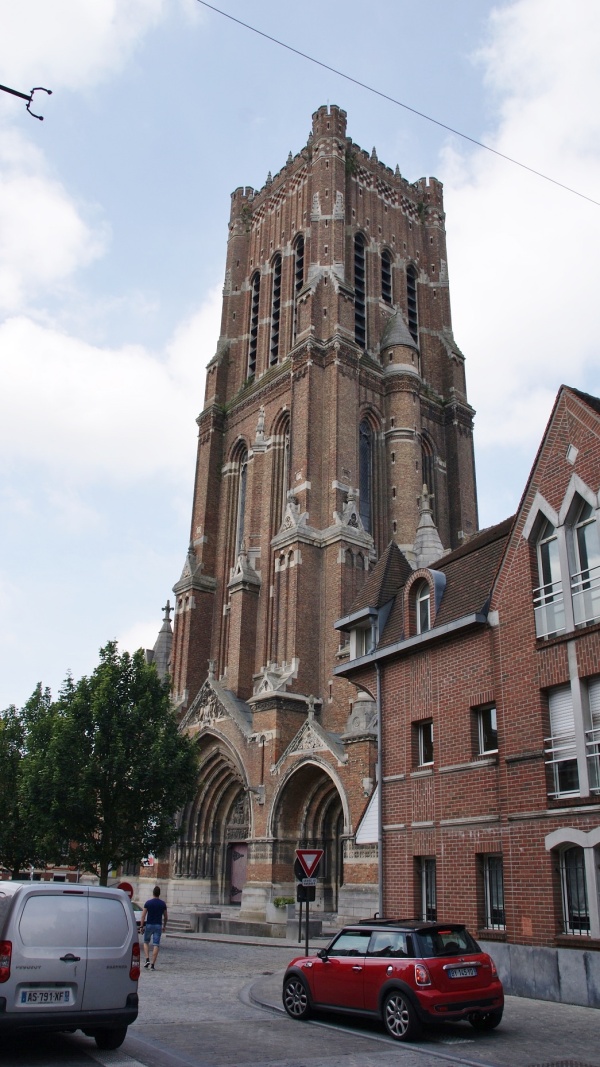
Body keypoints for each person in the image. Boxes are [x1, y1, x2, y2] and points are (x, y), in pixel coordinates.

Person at [140, 885, 168, 969]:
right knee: (156, 944)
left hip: (149, 925)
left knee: (146, 942)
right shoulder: (162, 904)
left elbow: (143, 916)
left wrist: (141, 926)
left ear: (153, 893)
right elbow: (166, 917)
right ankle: (152, 964)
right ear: (159, 894)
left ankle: (147, 959)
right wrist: (164, 926)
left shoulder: (148, 903)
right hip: (158, 925)